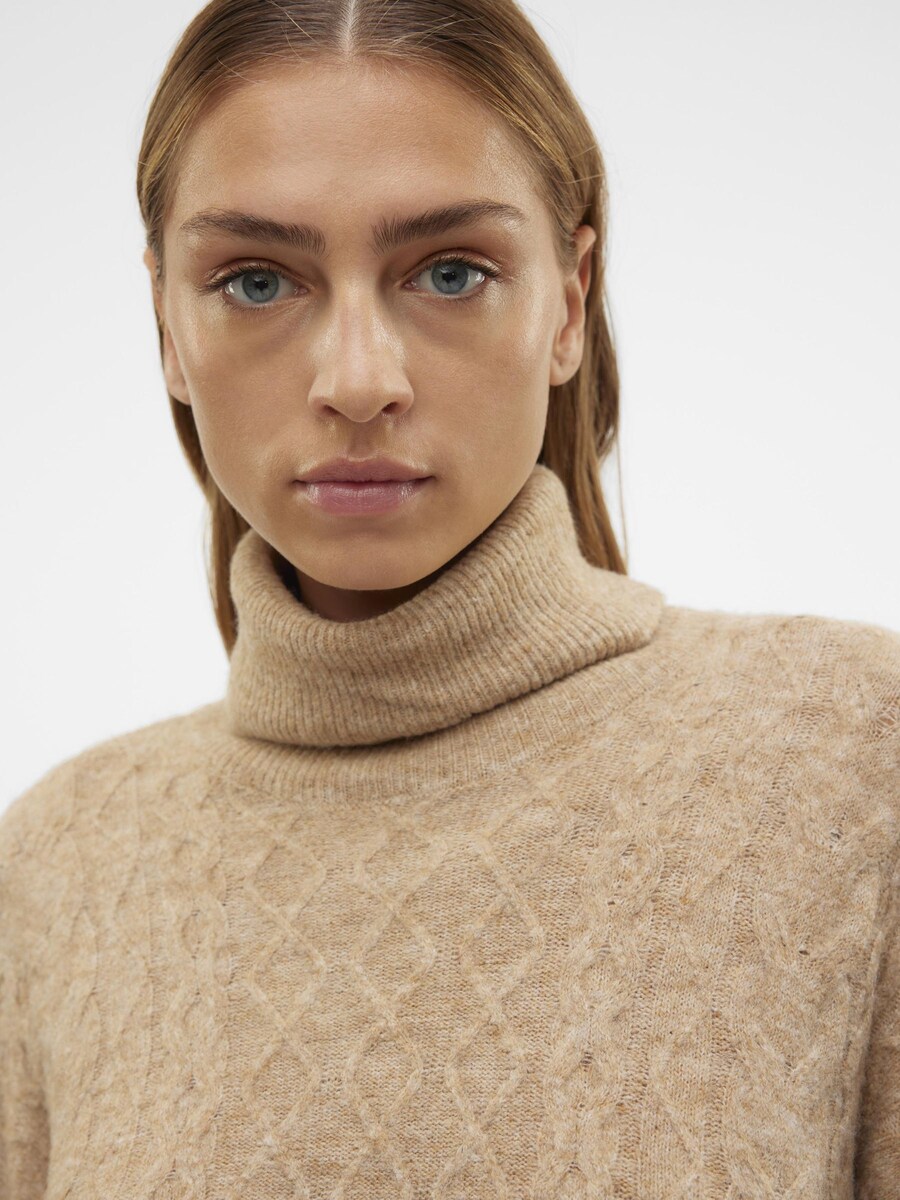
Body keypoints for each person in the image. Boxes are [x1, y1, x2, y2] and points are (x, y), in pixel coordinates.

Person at [1, 0, 897, 1195]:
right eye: (257, 280)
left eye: (451, 271)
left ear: (569, 301)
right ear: (168, 321)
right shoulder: (56, 867)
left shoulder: (850, 757)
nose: (357, 380)